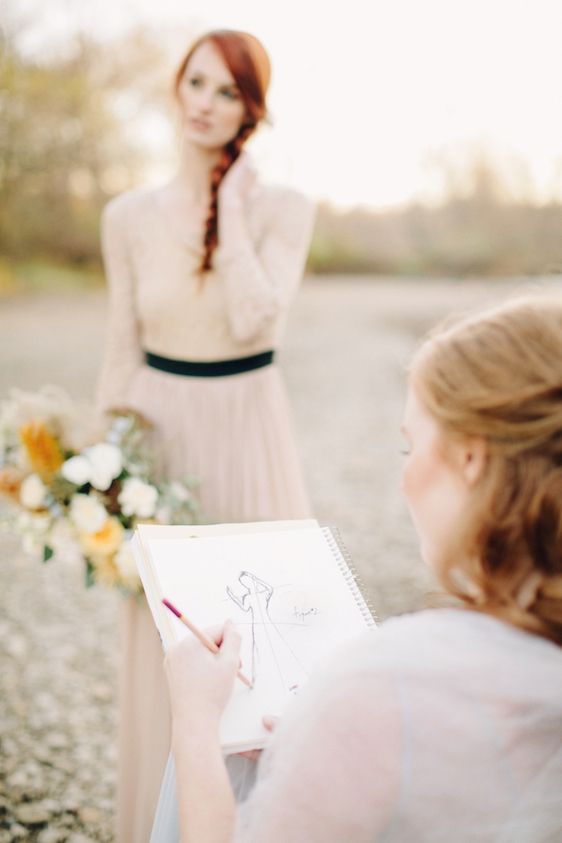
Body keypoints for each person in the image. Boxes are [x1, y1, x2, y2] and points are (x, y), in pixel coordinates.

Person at [164, 295, 562, 842]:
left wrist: (193, 721)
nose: (404, 479)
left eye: (410, 448)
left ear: (471, 459)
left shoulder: (385, 682)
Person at [96, 29, 315, 842]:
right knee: (167, 637)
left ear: (250, 109)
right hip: (159, 436)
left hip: (249, 425)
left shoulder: (286, 209)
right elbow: (120, 345)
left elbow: (260, 317)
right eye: (196, 82)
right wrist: (102, 471)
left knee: (262, 641)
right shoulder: (127, 216)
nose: (206, 103)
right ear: (174, 88)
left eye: (228, 92)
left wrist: (227, 207)